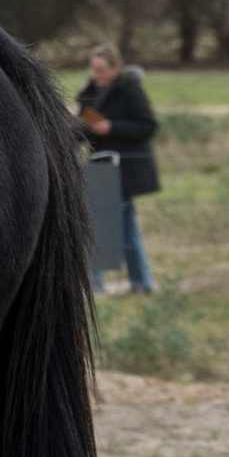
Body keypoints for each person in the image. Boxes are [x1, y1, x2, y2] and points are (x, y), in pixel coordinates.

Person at [78, 43, 161, 295]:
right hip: (100, 164)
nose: (97, 75)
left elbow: (148, 126)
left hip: (125, 167)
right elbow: (84, 130)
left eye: (101, 70)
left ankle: (100, 283)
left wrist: (112, 127)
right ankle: (140, 282)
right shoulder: (89, 94)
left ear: (115, 68)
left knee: (104, 224)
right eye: (93, 69)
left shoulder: (130, 91)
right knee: (118, 225)